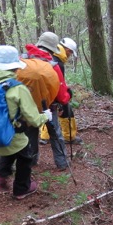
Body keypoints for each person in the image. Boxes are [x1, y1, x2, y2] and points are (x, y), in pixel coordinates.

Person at [0, 46, 53, 200]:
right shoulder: (18, 89)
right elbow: (34, 119)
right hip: (13, 133)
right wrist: (46, 116)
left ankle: (0, 177)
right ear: (15, 68)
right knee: (25, 157)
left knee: (10, 150)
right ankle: (22, 189)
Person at [20, 31, 71, 170]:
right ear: (53, 48)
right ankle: (61, 163)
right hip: (49, 107)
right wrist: (66, 99)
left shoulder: (22, 60)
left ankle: (31, 160)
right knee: (55, 134)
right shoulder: (53, 66)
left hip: (26, 107)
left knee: (31, 134)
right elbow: (61, 93)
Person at [54, 38, 82, 145]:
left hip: (45, 91)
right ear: (67, 50)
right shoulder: (58, 63)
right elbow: (58, 82)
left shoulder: (50, 56)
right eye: (70, 53)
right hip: (55, 91)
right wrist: (65, 94)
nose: (70, 55)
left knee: (47, 111)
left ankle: (45, 136)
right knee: (66, 110)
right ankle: (69, 137)